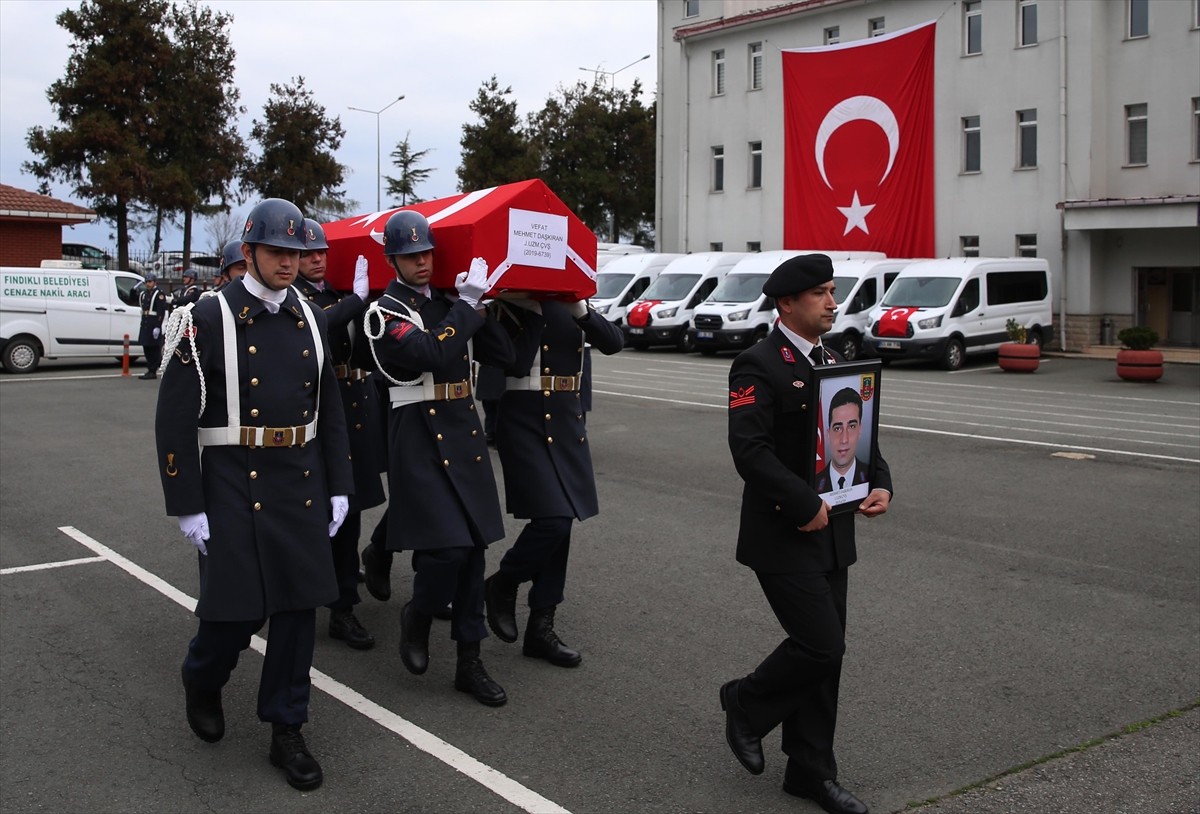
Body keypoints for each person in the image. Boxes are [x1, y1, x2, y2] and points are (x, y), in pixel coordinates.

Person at [154, 197, 353, 792]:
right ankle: (203, 676)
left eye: (296, 252)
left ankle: (287, 726)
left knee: (296, 612)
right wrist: (186, 502)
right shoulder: (206, 315)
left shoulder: (311, 317)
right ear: (249, 252)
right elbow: (174, 418)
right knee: (232, 613)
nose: (288, 263)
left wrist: (340, 484)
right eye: (275, 252)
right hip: (232, 482)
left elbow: (329, 408)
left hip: (300, 481)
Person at [721, 253, 892, 814]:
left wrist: (880, 482)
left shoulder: (836, 359)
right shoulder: (757, 364)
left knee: (826, 657)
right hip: (783, 531)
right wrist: (801, 502)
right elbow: (750, 450)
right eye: (820, 293)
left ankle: (810, 772)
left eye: (832, 291)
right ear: (787, 303)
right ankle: (745, 702)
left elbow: (860, 436)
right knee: (822, 644)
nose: (832, 301)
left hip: (833, 533)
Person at [362, 210, 515, 707]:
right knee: (445, 550)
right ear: (392, 261)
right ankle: (420, 613)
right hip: (418, 437)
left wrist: (483, 308)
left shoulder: (451, 303)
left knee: (473, 550)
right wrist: (465, 310)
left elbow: (504, 357)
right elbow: (429, 353)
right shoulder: (383, 313)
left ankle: (470, 660)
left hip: (462, 430)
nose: (422, 262)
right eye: (410, 256)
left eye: (427, 252)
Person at [483, 295, 624, 668]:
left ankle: (541, 627)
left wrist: (581, 310)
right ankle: (504, 581)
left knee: (562, 520)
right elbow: (511, 362)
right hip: (524, 418)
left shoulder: (573, 301)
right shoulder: (508, 302)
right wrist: (531, 312)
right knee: (554, 520)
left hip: (565, 417)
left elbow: (614, 342)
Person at [293, 218, 380, 650]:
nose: (316, 260)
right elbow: (316, 324)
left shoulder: (337, 295)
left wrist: (365, 303)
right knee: (321, 511)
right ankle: (324, 597)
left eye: (321, 252)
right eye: (307, 253)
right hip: (320, 413)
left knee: (352, 508)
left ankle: (343, 599)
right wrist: (356, 301)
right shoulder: (295, 299)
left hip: (355, 407)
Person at [814, 388, 870, 494]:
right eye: (837, 428)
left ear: (860, 430)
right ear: (828, 434)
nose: (844, 439)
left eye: (852, 426)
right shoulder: (814, 483)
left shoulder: (871, 476)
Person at [138, 271, 168, 379]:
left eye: (150, 281)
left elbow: (161, 311)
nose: (148, 284)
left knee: (153, 348)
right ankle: (150, 368)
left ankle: (152, 370)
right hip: (145, 323)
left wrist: (157, 326)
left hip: (153, 323)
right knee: (146, 346)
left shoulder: (159, 294)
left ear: (155, 282)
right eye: (146, 282)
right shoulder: (144, 294)